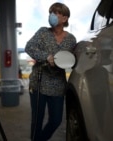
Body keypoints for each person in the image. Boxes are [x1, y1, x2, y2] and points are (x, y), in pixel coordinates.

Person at [25, 2, 76, 141]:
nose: (51, 16)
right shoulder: (43, 32)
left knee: (56, 120)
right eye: (50, 13)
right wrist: (46, 57)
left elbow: (73, 60)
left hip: (58, 86)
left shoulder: (71, 39)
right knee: (37, 120)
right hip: (39, 84)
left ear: (64, 18)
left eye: (55, 13)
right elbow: (29, 47)